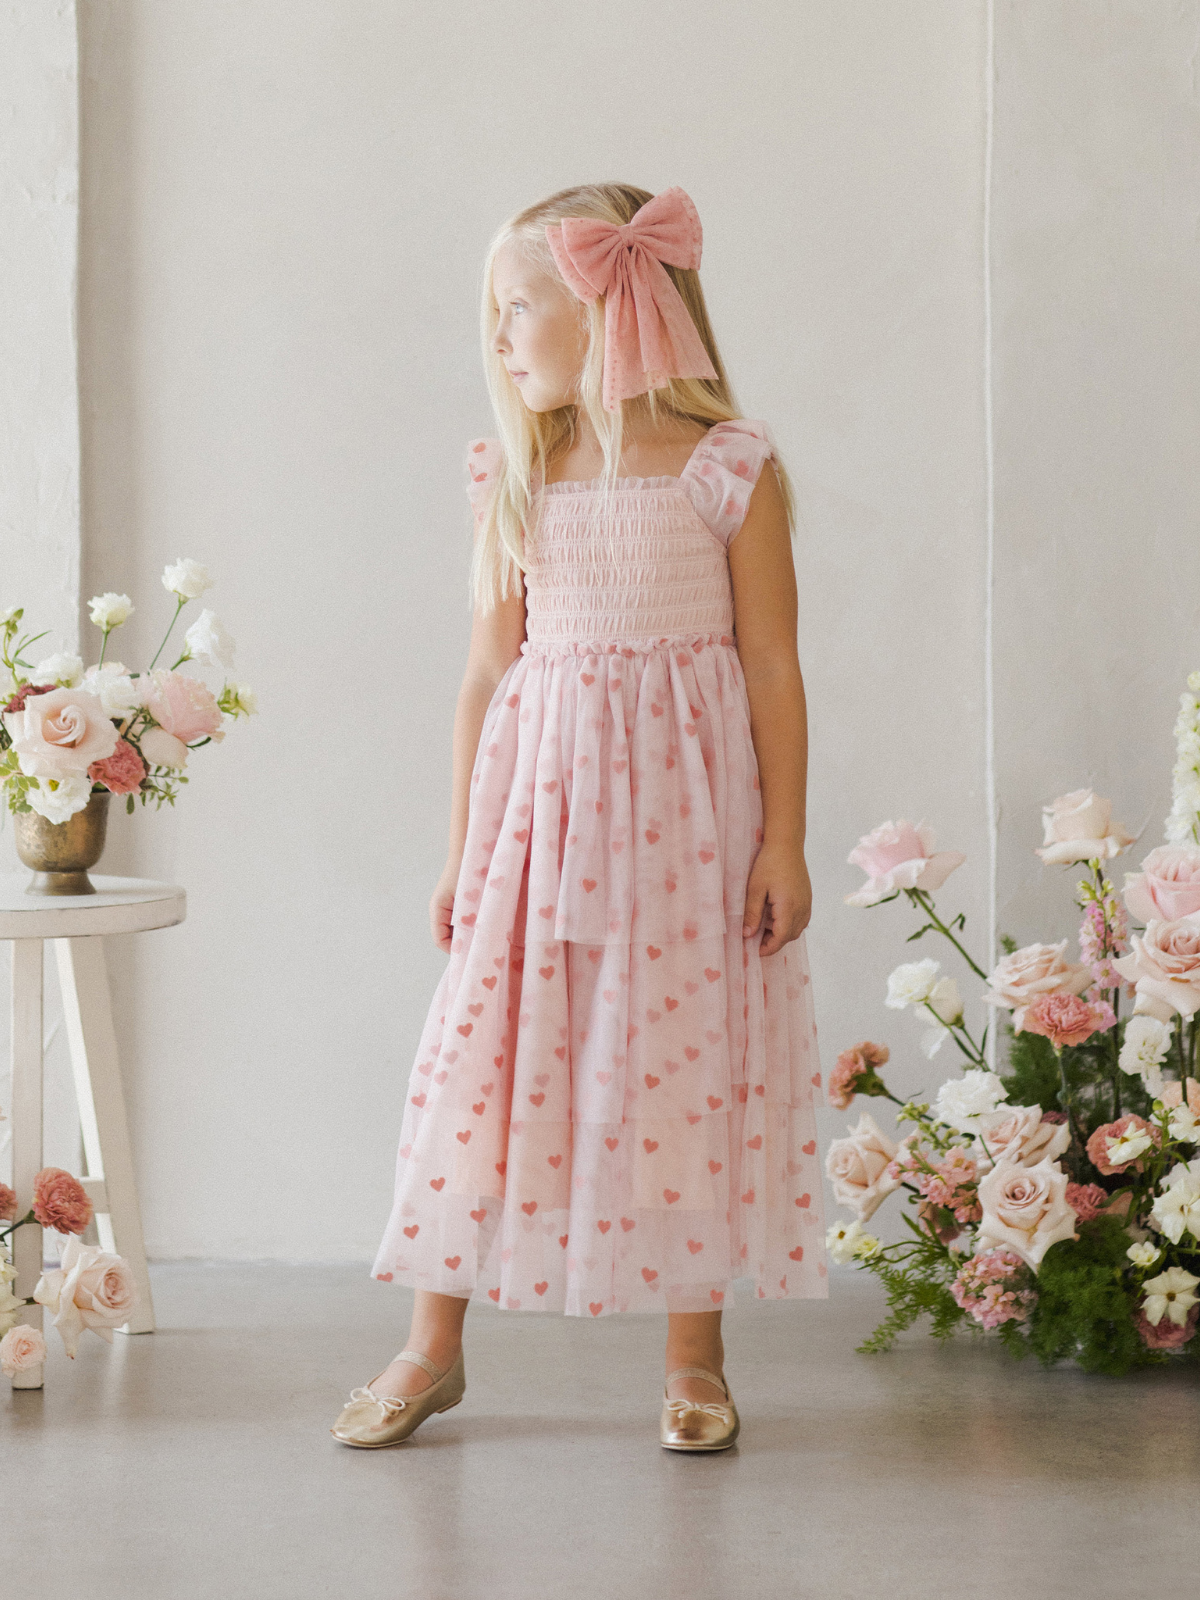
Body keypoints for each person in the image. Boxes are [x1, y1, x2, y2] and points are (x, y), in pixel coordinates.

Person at [332, 182, 826, 1453]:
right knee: (488, 1060)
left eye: (515, 311)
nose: (498, 341)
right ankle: (431, 1347)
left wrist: (784, 839)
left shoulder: (732, 469)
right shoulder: (514, 471)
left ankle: (695, 1358)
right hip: (539, 822)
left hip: (689, 819)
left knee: (686, 1056)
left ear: (610, 307)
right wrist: (458, 848)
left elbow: (771, 662)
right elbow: (489, 671)